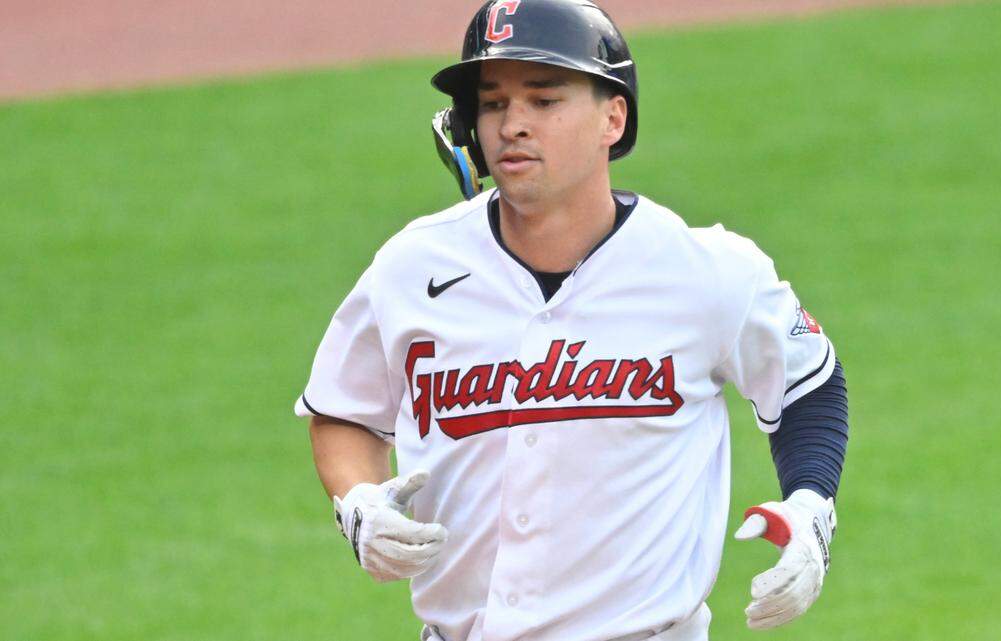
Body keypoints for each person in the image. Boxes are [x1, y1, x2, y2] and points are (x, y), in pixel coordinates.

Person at [295, 1, 849, 639]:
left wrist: (811, 507)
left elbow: (809, 383)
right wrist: (359, 502)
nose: (513, 126)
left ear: (614, 116)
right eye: (494, 103)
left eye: (544, 100)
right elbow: (344, 409)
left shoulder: (706, 271)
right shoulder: (413, 267)